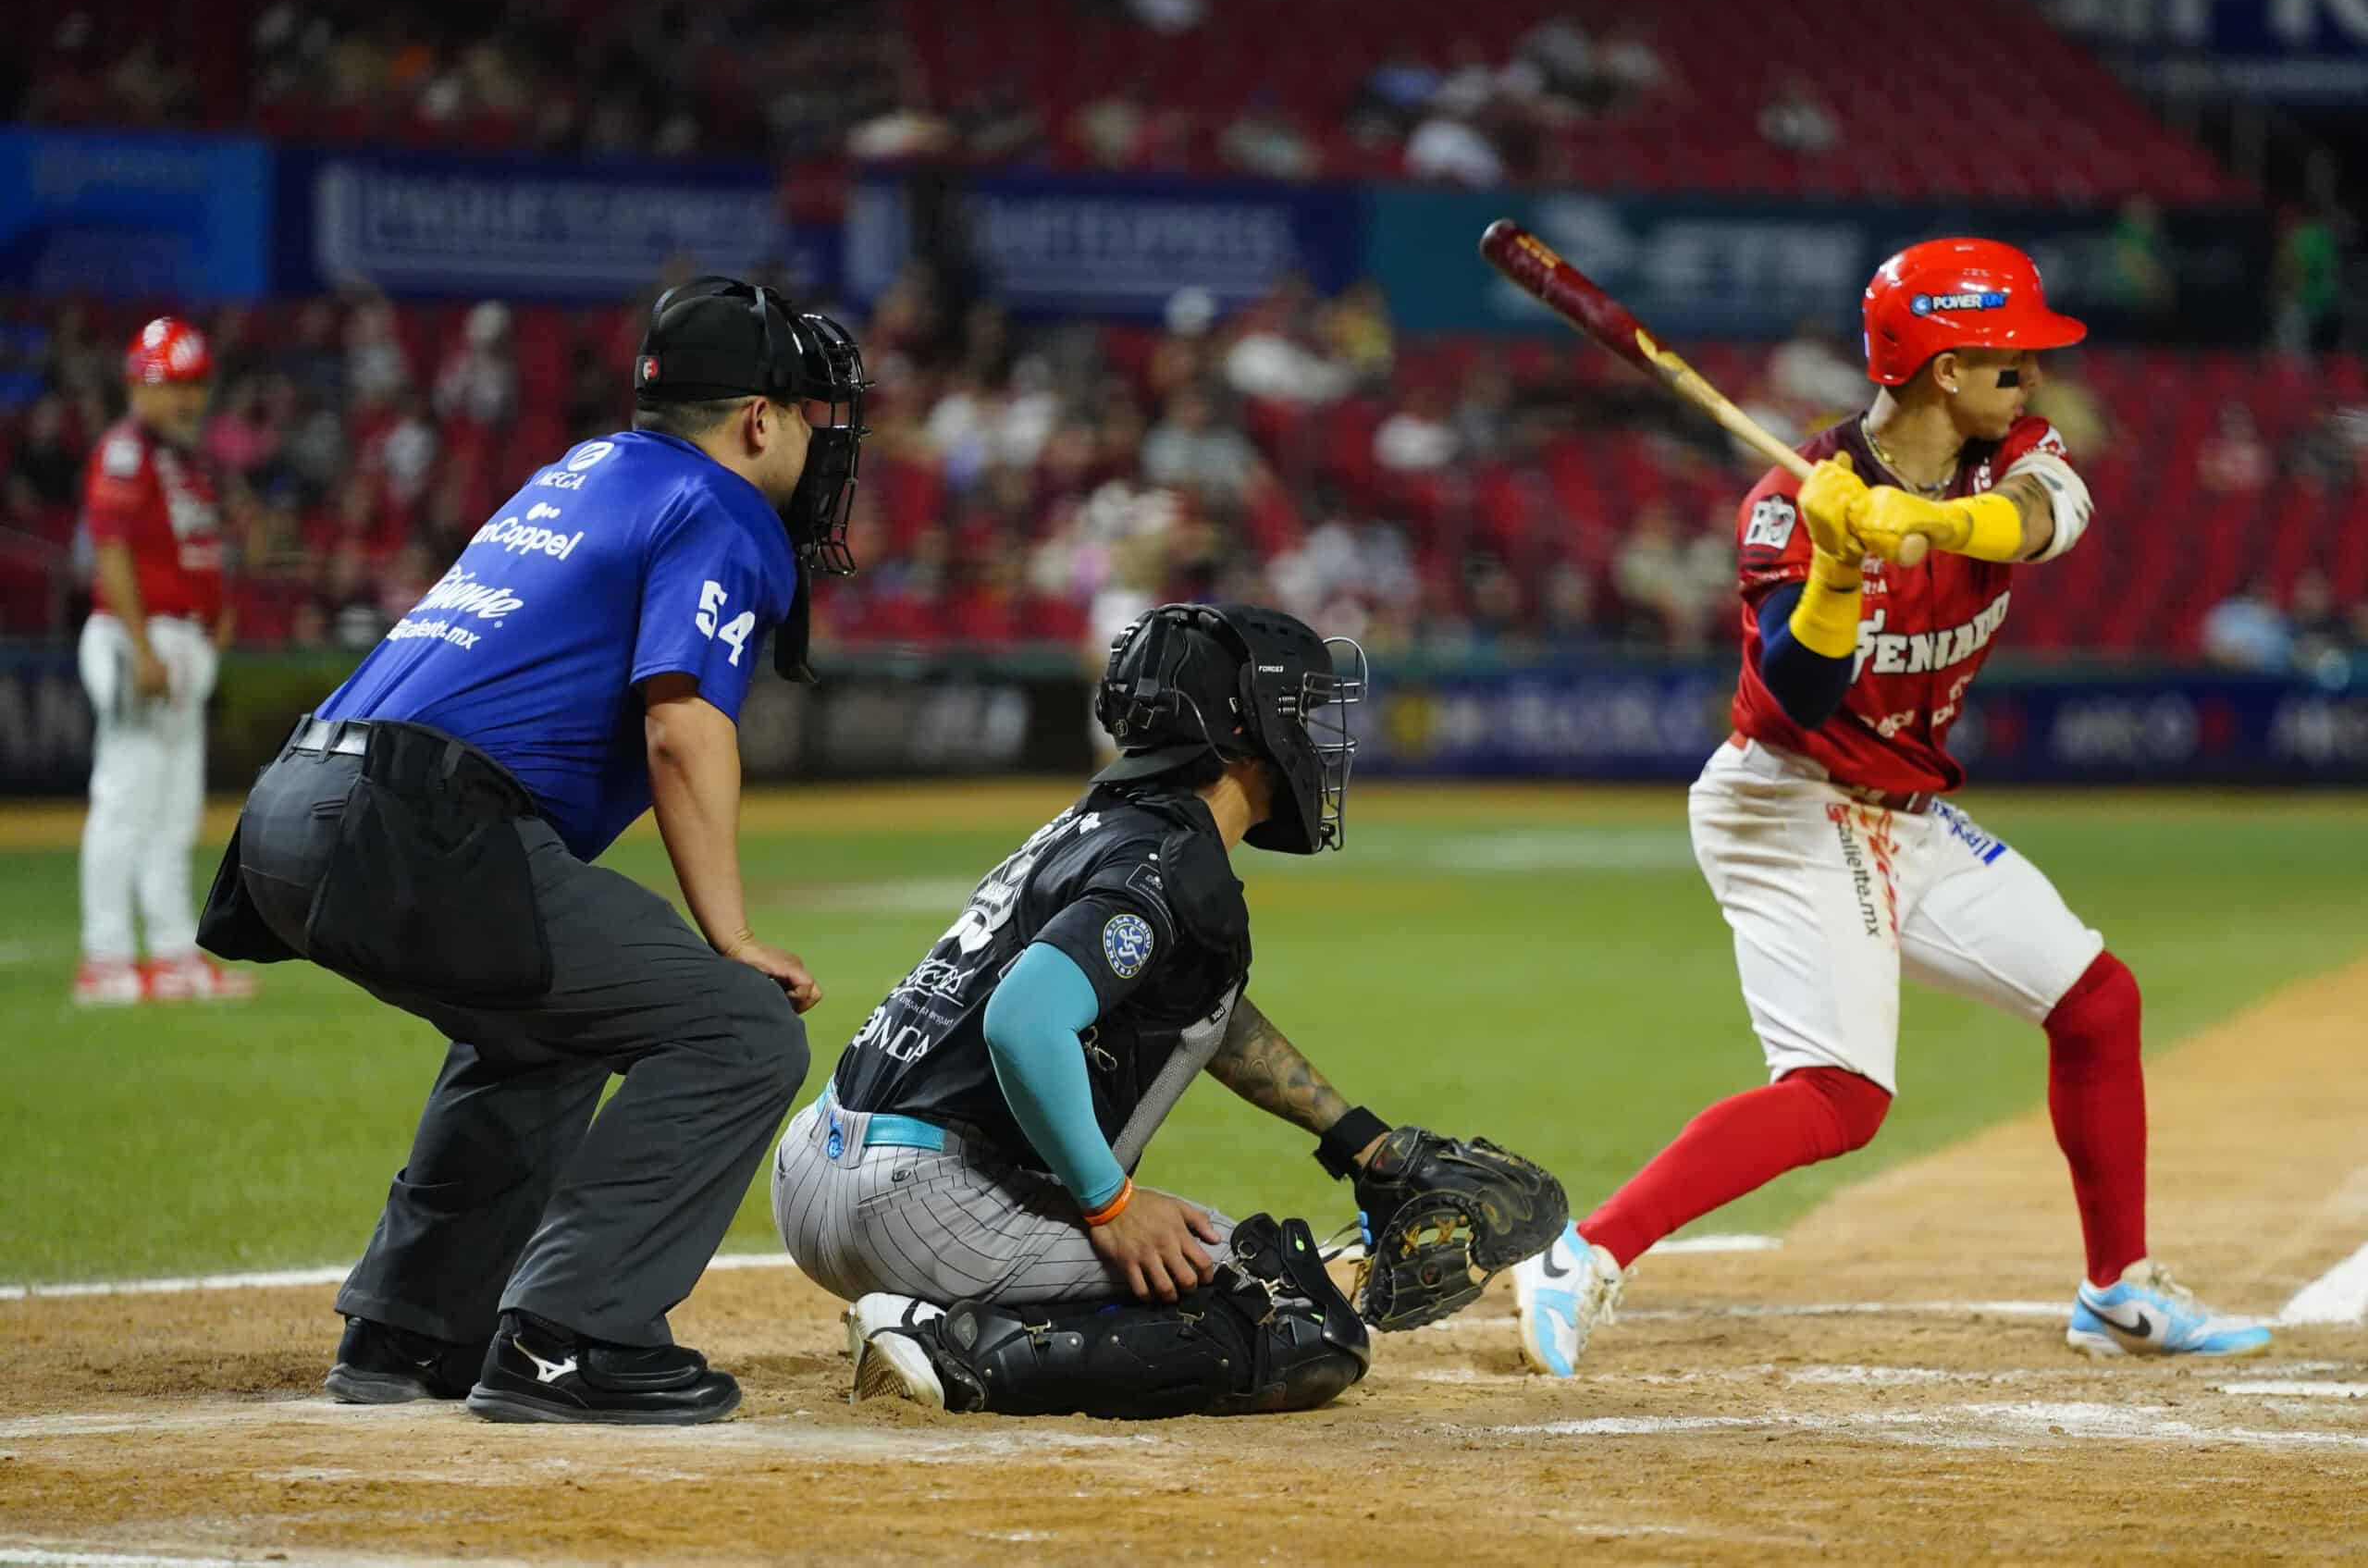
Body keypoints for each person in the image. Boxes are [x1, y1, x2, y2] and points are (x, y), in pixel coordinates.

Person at [1511, 240, 2271, 1376]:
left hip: (1901, 807)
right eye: (2008, 361)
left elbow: (2045, 516)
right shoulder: (1786, 508)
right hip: (1787, 802)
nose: (2030, 380)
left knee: (2098, 1003)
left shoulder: (2009, 452)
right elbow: (1801, 690)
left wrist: (1920, 526)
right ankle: (1579, 1255)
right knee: (1838, 1095)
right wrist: (1833, 565)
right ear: (1941, 366)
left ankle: (2114, 1288)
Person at [194, 278, 870, 1425]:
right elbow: (680, 723)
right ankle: (571, 1335)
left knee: (543, 1019)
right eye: (810, 415)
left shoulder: (580, 470)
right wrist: (733, 938)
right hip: (414, 822)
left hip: (295, 809)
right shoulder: (721, 505)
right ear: (761, 419)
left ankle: (409, 1328)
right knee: (737, 1024)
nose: (819, 442)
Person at [772, 604, 1565, 1417]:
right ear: (1242, 726)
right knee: (1291, 1320)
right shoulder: (1175, 860)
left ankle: (942, 1308)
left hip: (818, 1169)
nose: (1314, 737)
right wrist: (1108, 1203)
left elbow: (1202, 1012)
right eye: (1297, 710)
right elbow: (1022, 1020)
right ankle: (945, 1343)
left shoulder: (1098, 823)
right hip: (924, 1205)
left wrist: (1358, 1141)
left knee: (1224, 1273)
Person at [75, 318, 255, 1006]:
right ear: (138, 386)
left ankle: (175, 954)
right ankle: (106, 957)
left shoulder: (178, 459)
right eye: (171, 384)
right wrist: (142, 646)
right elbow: (112, 549)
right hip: (137, 637)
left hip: (178, 640)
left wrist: (215, 616)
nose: (187, 399)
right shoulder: (126, 452)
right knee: (125, 797)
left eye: (195, 384)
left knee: (174, 807)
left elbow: (189, 552)